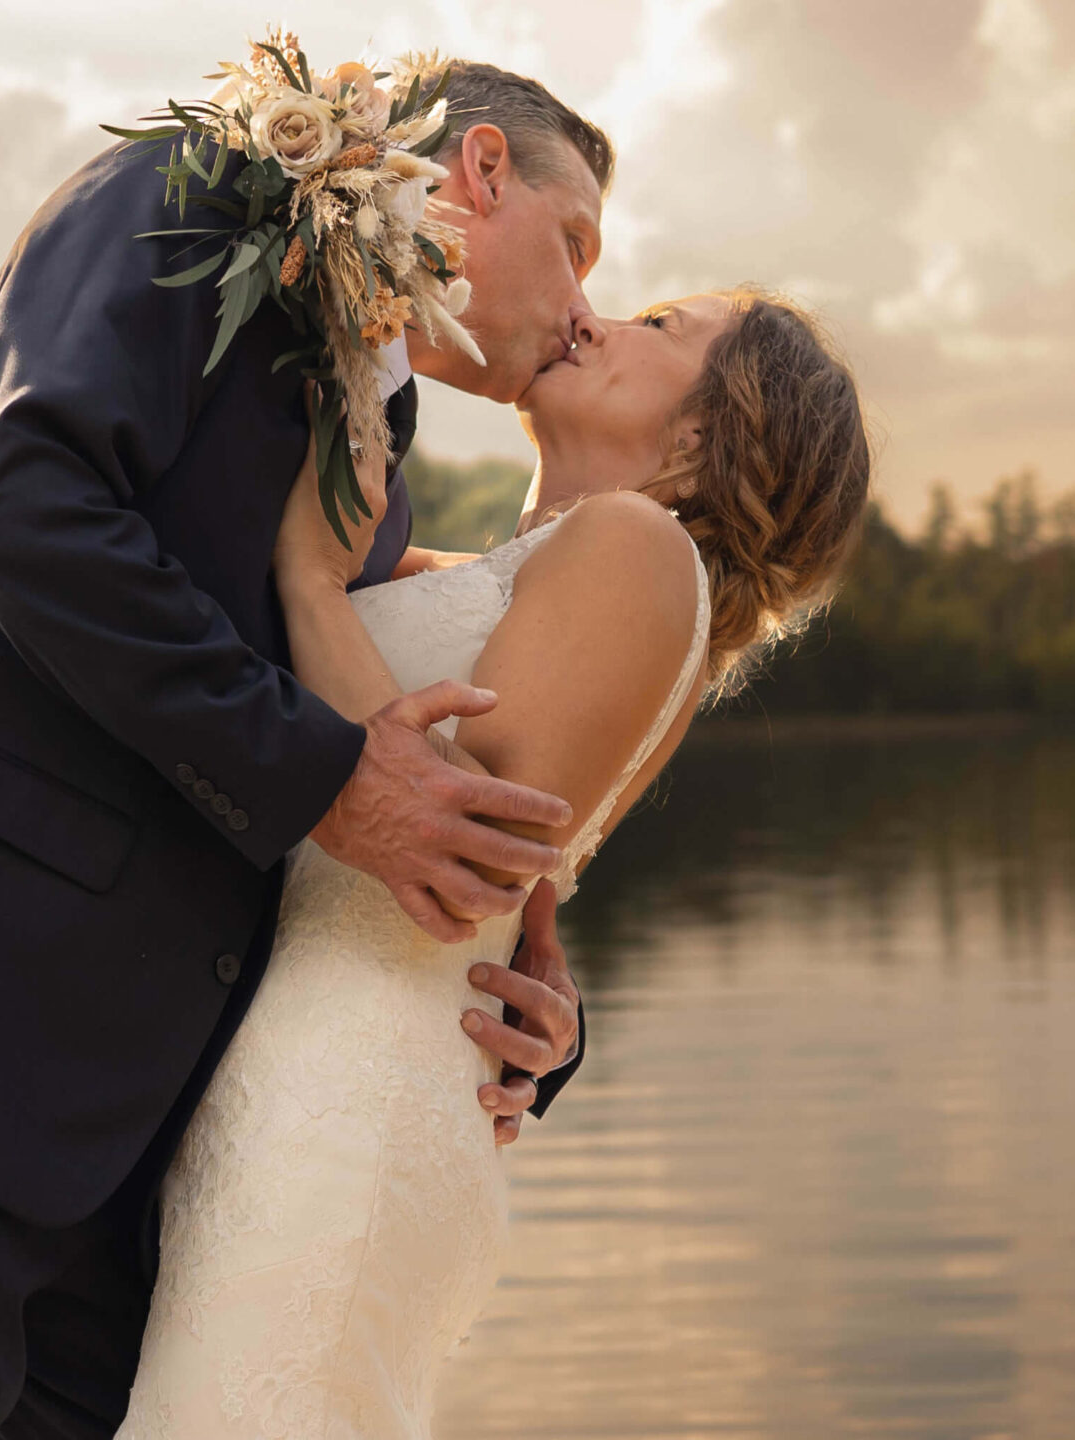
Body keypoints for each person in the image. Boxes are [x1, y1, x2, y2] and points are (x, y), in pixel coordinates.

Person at [0, 62, 617, 1440]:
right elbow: (20, 508)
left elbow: (363, 753)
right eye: (579, 249)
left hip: (98, 1116)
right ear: (486, 170)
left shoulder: (381, 432)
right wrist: (330, 783)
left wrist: (520, 1014)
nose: (584, 311)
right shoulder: (207, 193)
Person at [115, 286, 873, 1436]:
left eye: (661, 327)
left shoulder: (636, 547)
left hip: (346, 1111)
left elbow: (449, 848)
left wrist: (313, 586)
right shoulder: (504, 578)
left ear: (709, 433)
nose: (598, 316)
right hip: (283, 1085)